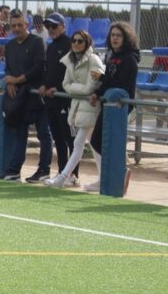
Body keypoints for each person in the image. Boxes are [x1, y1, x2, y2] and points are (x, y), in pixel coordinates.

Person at [44, 30, 104, 188]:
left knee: (78, 143)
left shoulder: (94, 60)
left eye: (80, 41)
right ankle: (103, 179)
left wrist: (77, 89)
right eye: (74, 40)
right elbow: (65, 85)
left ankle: (63, 177)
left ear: (87, 43)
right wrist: (80, 89)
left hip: (91, 106)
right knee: (93, 144)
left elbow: (90, 87)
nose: (76, 44)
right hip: (78, 106)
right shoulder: (69, 60)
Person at [86, 21, 140, 192]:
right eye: (113, 35)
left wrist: (102, 78)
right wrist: (98, 93)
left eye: (119, 36)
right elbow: (109, 80)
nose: (115, 39)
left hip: (119, 105)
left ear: (126, 38)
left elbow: (121, 84)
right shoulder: (112, 56)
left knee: (100, 140)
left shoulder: (129, 59)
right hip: (108, 103)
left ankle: (116, 174)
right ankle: (111, 175)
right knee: (98, 141)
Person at [0, 9, 49, 182]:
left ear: (27, 25)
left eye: (20, 25)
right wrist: (10, 81)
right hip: (20, 97)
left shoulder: (37, 42)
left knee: (43, 134)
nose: (17, 28)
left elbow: (38, 68)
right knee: (20, 132)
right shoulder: (10, 45)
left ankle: (44, 170)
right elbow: (8, 67)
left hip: (37, 96)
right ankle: (14, 169)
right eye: (13, 26)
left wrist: (17, 80)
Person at [38, 12, 78, 185]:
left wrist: (59, 89)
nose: (51, 30)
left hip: (66, 100)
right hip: (52, 100)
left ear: (63, 26)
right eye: (48, 27)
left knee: (71, 139)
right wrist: (44, 85)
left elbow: (74, 74)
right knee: (59, 139)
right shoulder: (52, 46)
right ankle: (63, 173)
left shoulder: (71, 45)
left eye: (54, 26)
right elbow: (49, 70)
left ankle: (73, 175)